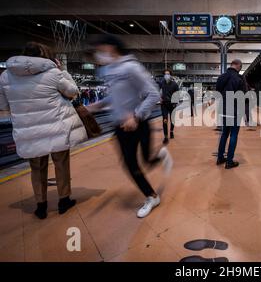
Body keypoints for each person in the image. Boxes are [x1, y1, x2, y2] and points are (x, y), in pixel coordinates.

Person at [87, 34, 171, 218]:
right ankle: (151, 196)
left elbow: (153, 94)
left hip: (138, 124)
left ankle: (161, 157)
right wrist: (98, 105)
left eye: (100, 49)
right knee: (130, 164)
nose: (98, 54)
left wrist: (136, 116)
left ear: (111, 47)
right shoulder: (109, 71)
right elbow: (116, 95)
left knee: (146, 161)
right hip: (120, 126)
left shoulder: (132, 68)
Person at [0, 42, 87, 219]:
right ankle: (63, 201)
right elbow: (72, 92)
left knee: (36, 168)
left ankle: (41, 206)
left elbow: (3, 106)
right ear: (43, 55)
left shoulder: (5, 76)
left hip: (28, 131)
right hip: (56, 127)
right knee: (61, 165)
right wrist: (62, 71)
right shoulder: (53, 72)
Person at [216, 59, 246, 169]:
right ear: (238, 66)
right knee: (233, 135)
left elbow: (218, 91)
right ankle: (229, 161)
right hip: (235, 110)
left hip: (224, 109)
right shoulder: (239, 78)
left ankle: (220, 158)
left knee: (224, 133)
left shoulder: (222, 77)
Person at [159, 69, 179, 144]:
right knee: (165, 120)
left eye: (168, 74)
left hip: (172, 104)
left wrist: (175, 101)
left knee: (172, 120)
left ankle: (171, 131)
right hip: (164, 104)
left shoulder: (174, 84)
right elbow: (159, 91)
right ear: (164, 75)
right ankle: (166, 136)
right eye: (165, 74)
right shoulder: (161, 83)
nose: (166, 75)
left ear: (170, 75)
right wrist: (160, 98)